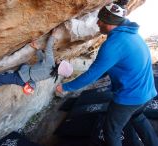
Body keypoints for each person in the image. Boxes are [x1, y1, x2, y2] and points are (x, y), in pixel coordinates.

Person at [56, 0, 158, 146]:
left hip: (130, 99)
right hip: (147, 93)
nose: (98, 23)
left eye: (101, 20)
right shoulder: (132, 35)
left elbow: (92, 75)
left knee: (111, 131)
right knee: (137, 117)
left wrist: (65, 87)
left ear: (109, 23)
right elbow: (108, 68)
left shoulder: (113, 45)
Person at [0, 29, 73, 95]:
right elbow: (41, 59)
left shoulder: (50, 63)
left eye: (62, 62)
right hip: (26, 78)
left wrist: (52, 36)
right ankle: (9, 73)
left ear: (59, 66)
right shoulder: (52, 72)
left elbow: (48, 48)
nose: (61, 60)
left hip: (21, 77)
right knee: (23, 65)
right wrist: (37, 48)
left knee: (0, 79)